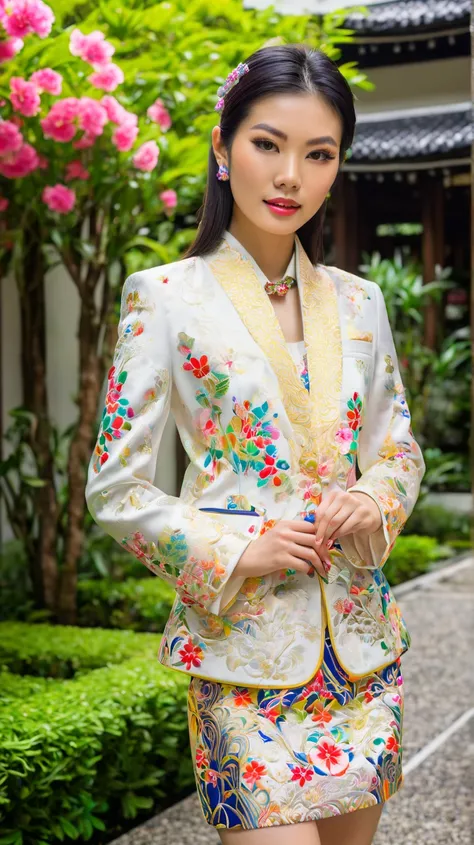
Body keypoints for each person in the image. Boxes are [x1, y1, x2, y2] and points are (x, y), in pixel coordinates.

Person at [85, 43, 425, 845]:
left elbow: (398, 447)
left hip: (360, 650)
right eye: (267, 144)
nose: (289, 177)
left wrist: (371, 496)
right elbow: (116, 487)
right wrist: (244, 547)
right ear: (222, 145)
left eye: (318, 154)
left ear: (337, 166)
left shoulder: (360, 301)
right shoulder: (163, 299)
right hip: (240, 650)